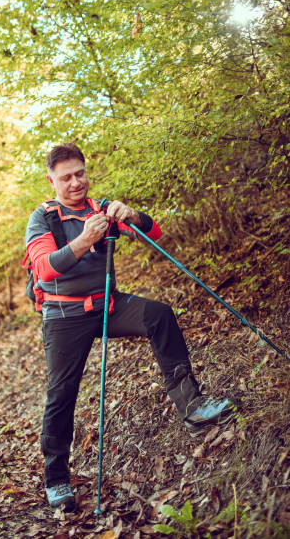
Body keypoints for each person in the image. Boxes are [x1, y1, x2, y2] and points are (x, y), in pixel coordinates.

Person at [25, 143, 237, 512]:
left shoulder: (101, 209)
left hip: (107, 305)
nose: (76, 183)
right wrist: (84, 240)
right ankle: (56, 477)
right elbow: (44, 270)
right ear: (52, 181)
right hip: (63, 315)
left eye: (80, 173)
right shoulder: (43, 218)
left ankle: (193, 406)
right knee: (61, 394)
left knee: (159, 314)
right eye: (66, 178)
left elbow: (155, 233)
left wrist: (132, 215)